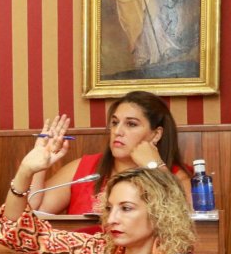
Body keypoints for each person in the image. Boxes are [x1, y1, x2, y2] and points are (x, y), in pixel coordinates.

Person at [0, 119, 197, 254]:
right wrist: (25, 171)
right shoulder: (90, 251)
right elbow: (15, 230)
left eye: (126, 208)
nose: (112, 219)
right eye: (109, 208)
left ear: (159, 213)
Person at [29, 91, 189, 215]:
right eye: (114, 123)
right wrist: (39, 165)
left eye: (131, 124)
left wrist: (154, 167)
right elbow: (33, 212)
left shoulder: (175, 175)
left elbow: (185, 224)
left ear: (156, 134)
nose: (118, 131)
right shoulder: (84, 169)